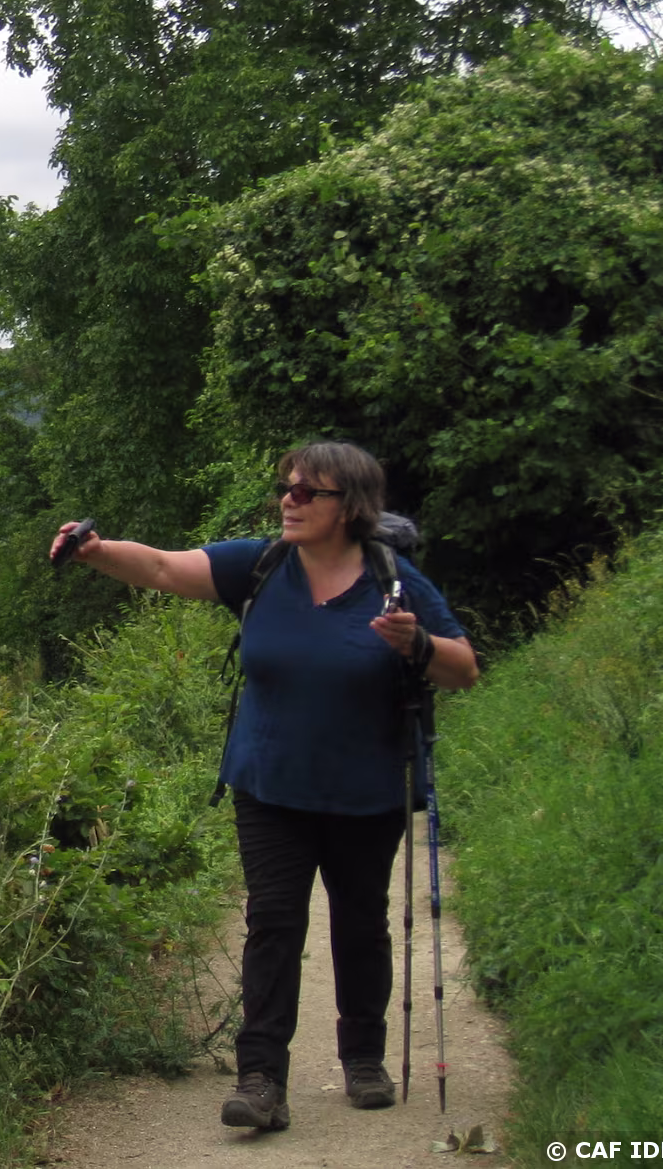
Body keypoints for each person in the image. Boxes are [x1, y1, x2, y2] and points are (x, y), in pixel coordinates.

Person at [51, 441, 477, 1132]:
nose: (289, 500)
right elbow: (161, 565)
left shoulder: (395, 582)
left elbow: (463, 669)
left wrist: (418, 645)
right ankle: (260, 1079)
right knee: (273, 923)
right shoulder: (261, 565)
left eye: (308, 492)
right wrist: (94, 551)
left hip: (368, 789)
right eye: (287, 487)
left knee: (361, 923)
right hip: (269, 785)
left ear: (350, 507)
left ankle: (363, 1058)